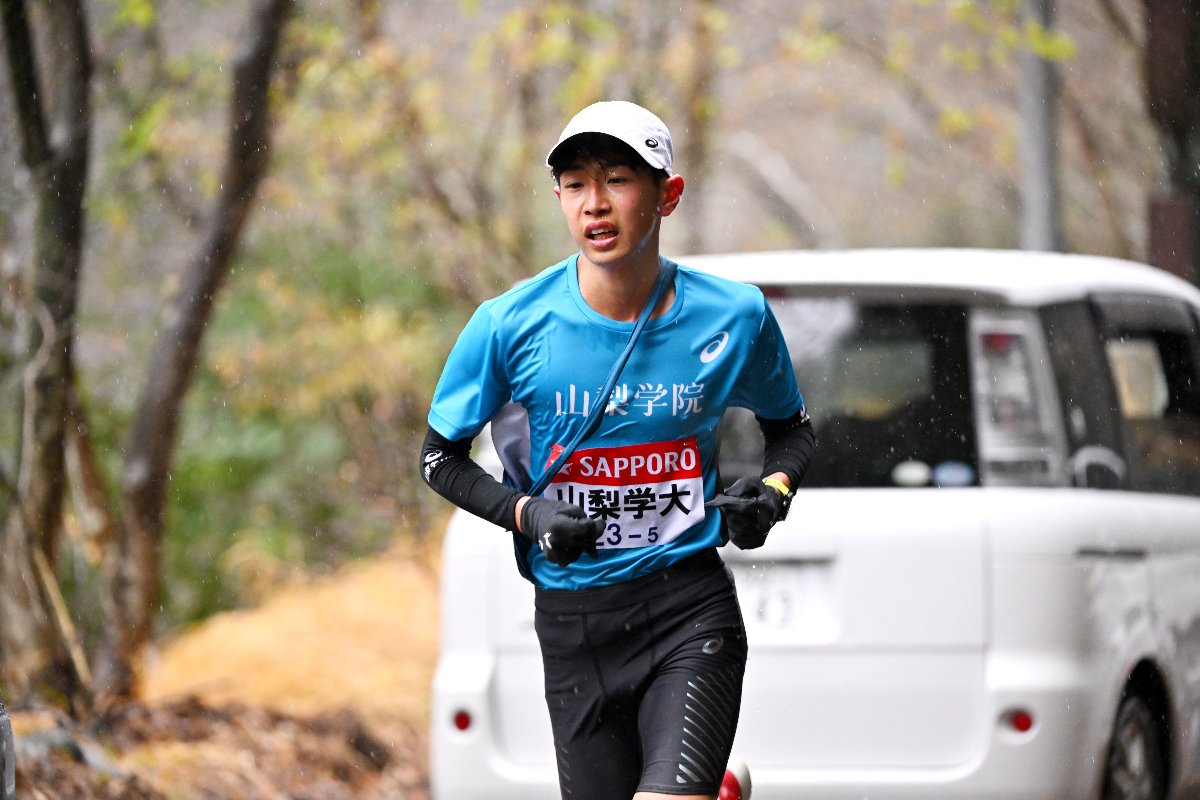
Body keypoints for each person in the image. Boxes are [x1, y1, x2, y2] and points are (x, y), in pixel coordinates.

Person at [421, 100, 815, 800]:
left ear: (668, 194)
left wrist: (774, 491)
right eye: (575, 183)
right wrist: (529, 515)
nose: (594, 203)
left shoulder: (734, 315)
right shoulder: (509, 325)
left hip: (688, 606)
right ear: (559, 198)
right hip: (575, 624)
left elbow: (793, 430)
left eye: (617, 179)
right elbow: (438, 459)